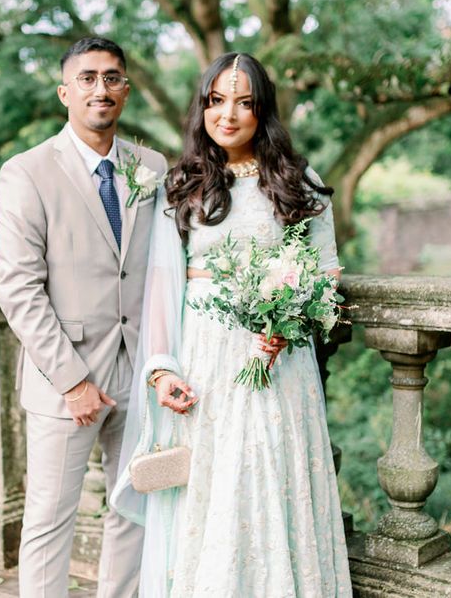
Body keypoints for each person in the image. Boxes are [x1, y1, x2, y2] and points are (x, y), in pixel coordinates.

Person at [112, 52, 352, 596]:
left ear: (262, 111)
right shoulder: (184, 184)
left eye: (244, 103)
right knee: (214, 492)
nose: (229, 114)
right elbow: (161, 289)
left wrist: (288, 324)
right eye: (217, 101)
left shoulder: (296, 180)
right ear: (203, 109)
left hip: (277, 363)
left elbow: (326, 272)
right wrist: (161, 371)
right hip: (205, 363)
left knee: (271, 481)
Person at [0, 36, 167, 597]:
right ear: (65, 91)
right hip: (64, 380)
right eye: (88, 78)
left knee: (133, 512)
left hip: (140, 370)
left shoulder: (153, 167)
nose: (102, 89)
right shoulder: (26, 172)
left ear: (126, 90)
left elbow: (167, 267)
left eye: (112, 78)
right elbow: (19, 289)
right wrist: (72, 382)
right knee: (48, 522)